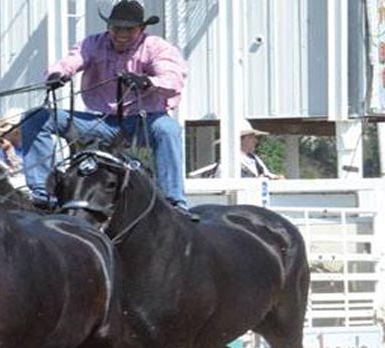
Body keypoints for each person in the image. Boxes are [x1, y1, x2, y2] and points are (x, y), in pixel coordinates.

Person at [20, 0, 191, 216]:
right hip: (102, 122)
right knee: (36, 118)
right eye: (116, 27)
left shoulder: (157, 47)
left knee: (168, 130)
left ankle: (173, 202)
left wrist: (148, 82)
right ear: (108, 27)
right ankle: (43, 194)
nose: (121, 33)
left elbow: (172, 78)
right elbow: (72, 60)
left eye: (128, 29)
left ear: (142, 29)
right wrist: (58, 75)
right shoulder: (93, 43)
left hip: (145, 120)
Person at [188, 119, 284, 179]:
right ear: (239, 140)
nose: (255, 141)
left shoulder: (254, 159)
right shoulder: (227, 163)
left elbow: (266, 175)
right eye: (251, 137)